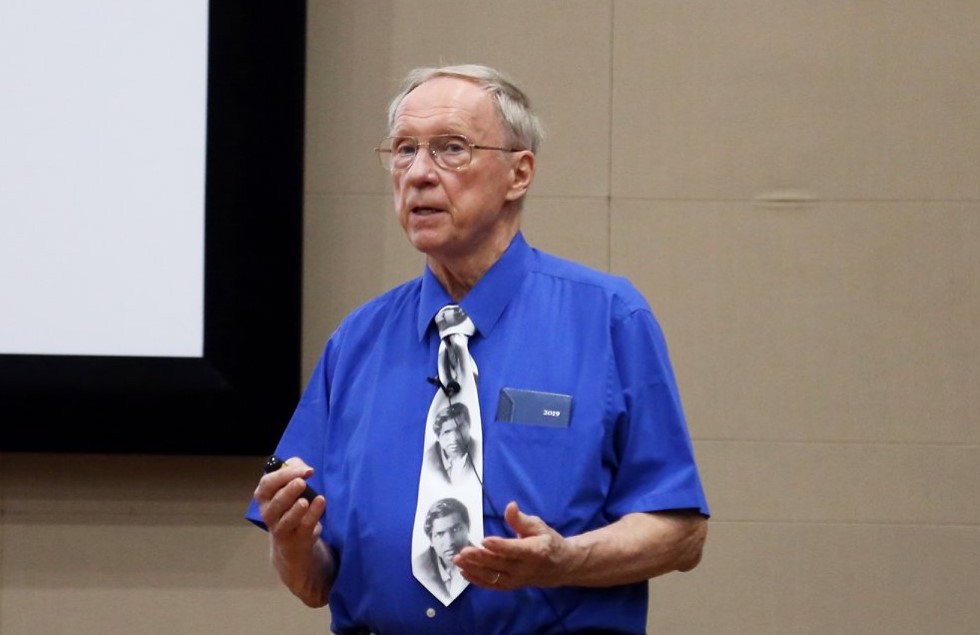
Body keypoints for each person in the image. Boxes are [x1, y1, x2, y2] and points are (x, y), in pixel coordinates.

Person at [249, 63, 709, 635]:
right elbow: (316, 584)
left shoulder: (608, 318)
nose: (418, 173)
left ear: (519, 173)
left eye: (450, 149)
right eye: (403, 151)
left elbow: (681, 532)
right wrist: (292, 546)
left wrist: (565, 561)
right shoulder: (356, 341)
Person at [413, 498, 476, 602]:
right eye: (440, 534)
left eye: (456, 529)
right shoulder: (418, 568)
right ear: (431, 539)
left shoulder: (488, 563)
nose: (450, 542)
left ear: (468, 527)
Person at [424, 402, 478, 484]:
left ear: (469, 426)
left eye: (460, 429)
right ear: (438, 437)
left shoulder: (483, 451)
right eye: (447, 432)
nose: (454, 438)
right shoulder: (428, 459)